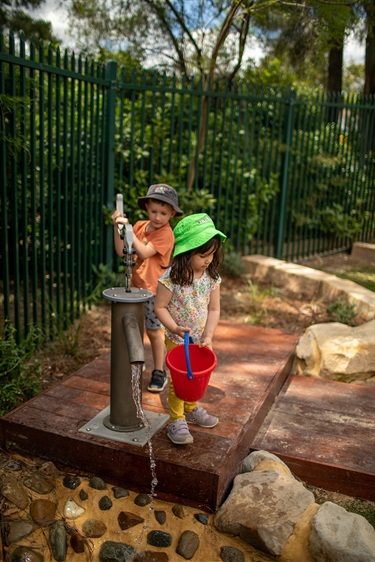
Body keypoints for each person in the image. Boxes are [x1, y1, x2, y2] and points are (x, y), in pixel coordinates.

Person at [154, 213, 226, 445]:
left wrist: (209, 335)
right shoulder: (172, 277)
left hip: (199, 339)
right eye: (203, 255)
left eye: (212, 254)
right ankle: (176, 419)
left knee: (195, 377)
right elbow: (160, 307)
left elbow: (214, 309)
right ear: (186, 253)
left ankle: (191, 407)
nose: (208, 260)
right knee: (179, 380)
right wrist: (174, 327)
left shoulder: (210, 277)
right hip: (178, 338)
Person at [111, 184, 183, 392]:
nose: (158, 217)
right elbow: (121, 250)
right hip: (136, 288)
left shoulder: (165, 234)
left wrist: (129, 229)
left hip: (154, 292)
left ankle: (159, 371)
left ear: (171, 214)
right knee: (134, 330)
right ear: (147, 207)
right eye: (154, 211)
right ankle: (134, 366)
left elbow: (142, 253)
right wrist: (118, 227)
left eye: (163, 213)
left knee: (154, 332)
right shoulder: (141, 226)